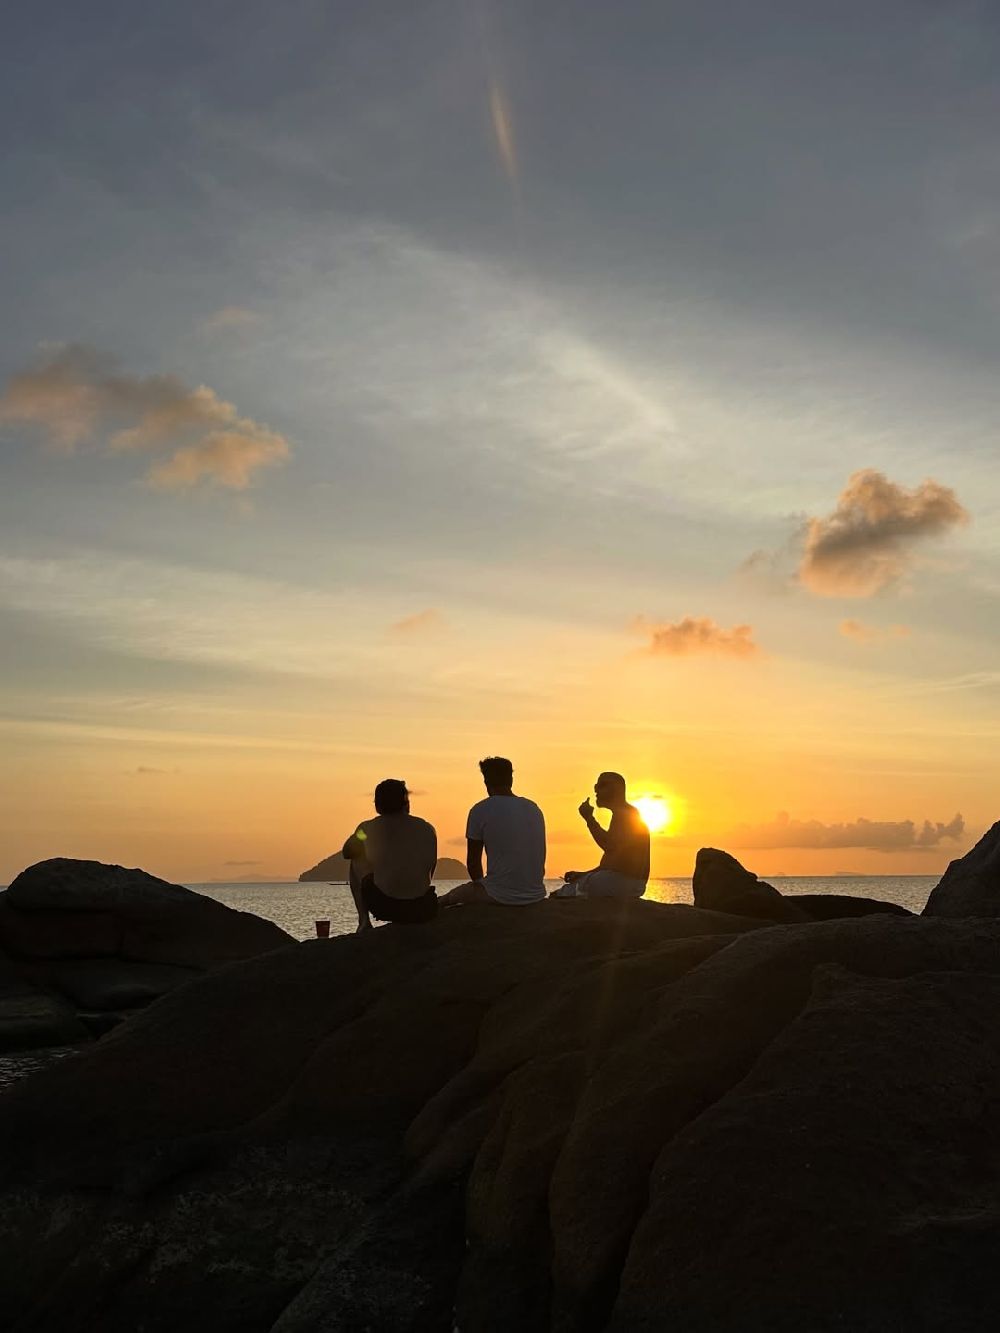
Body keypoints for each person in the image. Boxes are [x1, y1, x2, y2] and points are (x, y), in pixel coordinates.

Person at [439, 756, 546, 907]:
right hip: (536, 893)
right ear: (511, 780)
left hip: (500, 895)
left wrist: (481, 887)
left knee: (447, 899)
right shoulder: (533, 808)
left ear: (486, 782)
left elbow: (473, 862)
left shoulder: (480, 810)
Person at [342, 779, 438, 931]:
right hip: (423, 907)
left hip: (385, 906)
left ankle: (364, 921)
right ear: (405, 802)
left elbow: (347, 851)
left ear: (377, 805)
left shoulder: (365, 829)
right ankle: (416, 890)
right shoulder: (427, 828)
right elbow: (430, 865)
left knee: (356, 856)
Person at [552, 771, 649, 898]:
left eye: (602, 786)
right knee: (589, 880)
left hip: (625, 883)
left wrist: (589, 819)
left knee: (585, 885)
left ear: (617, 789)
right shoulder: (625, 814)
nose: (596, 790)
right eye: (596, 786)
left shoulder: (625, 815)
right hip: (629, 883)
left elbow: (608, 845)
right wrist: (584, 874)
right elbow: (612, 862)